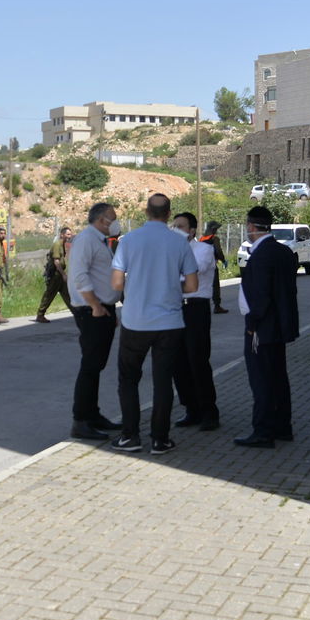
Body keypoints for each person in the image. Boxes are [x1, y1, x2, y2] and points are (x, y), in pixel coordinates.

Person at [108, 193, 200, 455]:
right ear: (169, 214)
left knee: (128, 380)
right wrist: (170, 285)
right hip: (169, 323)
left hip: (135, 321)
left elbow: (116, 283)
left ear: (146, 212)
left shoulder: (129, 241)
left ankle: (130, 436)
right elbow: (192, 286)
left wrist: (137, 286)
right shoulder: (180, 242)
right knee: (163, 382)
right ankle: (160, 439)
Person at [234, 205, 301, 449]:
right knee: (278, 378)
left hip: (262, 329)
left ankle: (262, 431)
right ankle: (283, 426)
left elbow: (260, 296)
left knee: (261, 380)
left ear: (251, 226)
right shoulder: (283, 251)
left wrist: (252, 325)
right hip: (280, 327)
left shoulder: (261, 256)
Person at [67, 203, 123, 440]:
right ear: (101, 219)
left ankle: (93, 414)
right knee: (90, 367)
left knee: (96, 366)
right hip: (92, 312)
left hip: (102, 310)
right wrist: (96, 306)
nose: (116, 222)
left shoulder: (99, 240)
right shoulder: (86, 240)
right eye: (113, 218)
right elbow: (79, 276)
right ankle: (81, 421)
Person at [171, 212, 220, 431]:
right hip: (176, 308)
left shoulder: (204, 250)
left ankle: (209, 412)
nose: (175, 230)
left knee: (197, 361)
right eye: (173, 226)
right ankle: (191, 409)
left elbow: (191, 273)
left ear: (192, 230)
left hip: (196, 310)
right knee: (178, 362)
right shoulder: (170, 251)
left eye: (180, 226)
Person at [34, 226, 74, 323]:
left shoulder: (63, 244)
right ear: (62, 234)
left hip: (59, 275)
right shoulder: (57, 245)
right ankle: (40, 314)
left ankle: (77, 313)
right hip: (55, 275)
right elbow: (56, 262)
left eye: (70, 234)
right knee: (50, 294)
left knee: (67, 294)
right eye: (68, 234)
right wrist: (63, 274)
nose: (70, 236)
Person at [200, 221, 231, 313]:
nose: (217, 230)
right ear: (213, 229)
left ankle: (203, 306)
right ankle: (217, 306)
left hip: (203, 265)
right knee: (215, 286)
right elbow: (218, 251)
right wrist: (223, 260)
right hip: (212, 265)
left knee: (204, 285)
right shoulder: (214, 238)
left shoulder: (202, 239)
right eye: (216, 229)